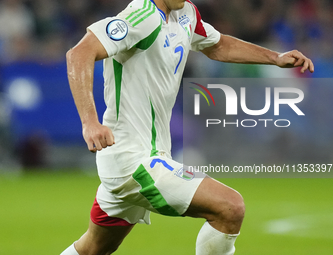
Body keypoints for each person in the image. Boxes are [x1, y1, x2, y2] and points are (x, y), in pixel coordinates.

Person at [62, 0, 314, 254]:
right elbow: (79, 53)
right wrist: (90, 122)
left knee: (91, 249)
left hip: (144, 156)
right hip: (132, 160)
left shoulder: (186, 13)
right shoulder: (142, 16)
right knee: (230, 207)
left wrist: (275, 57)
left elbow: (219, 45)